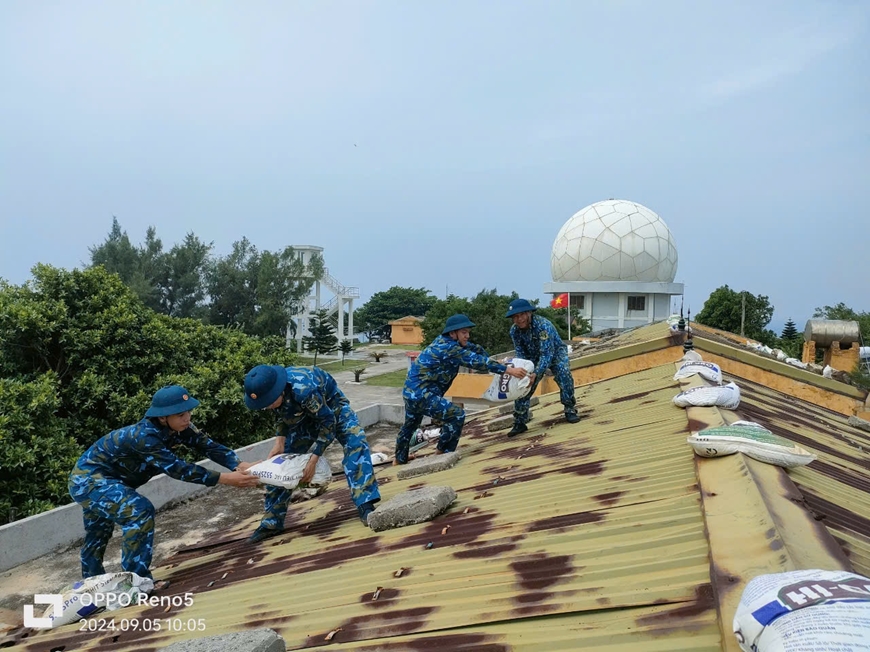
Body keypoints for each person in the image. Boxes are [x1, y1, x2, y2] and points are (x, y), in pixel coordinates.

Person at [68, 386, 259, 584]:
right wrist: (226, 479)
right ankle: (136, 582)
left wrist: (238, 464)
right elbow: (178, 469)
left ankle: (91, 583)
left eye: (188, 412)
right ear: (162, 417)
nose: (187, 418)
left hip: (109, 481)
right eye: (181, 414)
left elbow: (206, 445)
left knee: (99, 531)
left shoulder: (179, 428)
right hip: (88, 480)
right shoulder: (145, 437)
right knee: (137, 512)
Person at [243, 364, 381, 543]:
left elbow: (328, 423)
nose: (267, 407)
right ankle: (271, 522)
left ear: (279, 391)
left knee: (356, 445)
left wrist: (313, 460)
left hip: (332, 409)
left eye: (269, 402)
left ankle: (365, 503)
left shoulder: (304, 389)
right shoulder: (274, 394)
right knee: (281, 466)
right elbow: (281, 414)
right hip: (302, 418)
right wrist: (280, 442)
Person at [394, 314, 528, 464]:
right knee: (456, 415)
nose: (467, 336)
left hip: (411, 392)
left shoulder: (451, 343)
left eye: (468, 332)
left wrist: (495, 361)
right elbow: (476, 362)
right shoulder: (448, 348)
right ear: (453, 333)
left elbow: (476, 350)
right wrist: (508, 370)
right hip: (421, 394)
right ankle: (442, 455)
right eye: (464, 332)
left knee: (410, 425)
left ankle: (399, 459)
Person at [505, 298, 580, 437]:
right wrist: (524, 370)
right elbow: (520, 353)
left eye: (521, 315)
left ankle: (570, 408)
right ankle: (520, 421)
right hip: (531, 358)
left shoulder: (543, 326)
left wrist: (537, 373)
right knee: (522, 384)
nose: (519, 319)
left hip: (554, 353)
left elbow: (547, 354)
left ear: (528, 313)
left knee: (564, 374)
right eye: (515, 317)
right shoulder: (514, 331)